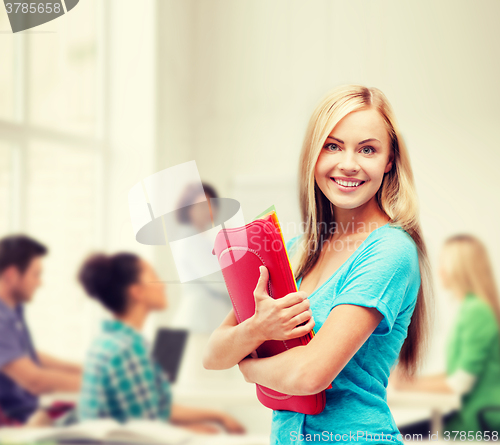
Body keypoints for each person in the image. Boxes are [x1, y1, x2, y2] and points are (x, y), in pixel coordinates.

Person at [203, 84, 433, 445]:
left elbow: (312, 374)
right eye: (333, 145)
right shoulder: (295, 250)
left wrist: (247, 367)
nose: (348, 164)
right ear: (313, 155)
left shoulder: (390, 250)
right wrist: (257, 328)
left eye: (368, 149)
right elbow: (214, 354)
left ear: (389, 162)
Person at [76, 252, 245, 434]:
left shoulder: (109, 341)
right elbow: (145, 430)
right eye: (154, 277)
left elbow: (156, 409)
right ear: (136, 292)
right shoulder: (128, 349)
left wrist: (217, 416)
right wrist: (199, 432)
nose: (163, 285)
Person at [391, 234, 500, 437]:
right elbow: (457, 374)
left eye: (444, 264)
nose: (439, 271)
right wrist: (410, 382)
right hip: (469, 415)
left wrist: (409, 385)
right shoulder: (471, 308)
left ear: (461, 270)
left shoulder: (476, 312)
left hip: (480, 420)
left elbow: (460, 382)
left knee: (393, 437)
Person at [0, 235, 82, 424]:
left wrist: (85, 369)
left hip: (29, 411)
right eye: (36, 275)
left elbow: (26, 356)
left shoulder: (13, 310)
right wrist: (100, 384)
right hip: (13, 422)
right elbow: (35, 381)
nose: (40, 283)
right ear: (11, 274)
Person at [170, 181, 233, 334]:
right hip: (199, 323)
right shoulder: (191, 239)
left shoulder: (201, 238)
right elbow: (218, 280)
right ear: (188, 209)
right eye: (203, 205)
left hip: (203, 321)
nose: (209, 210)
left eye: (212, 204)